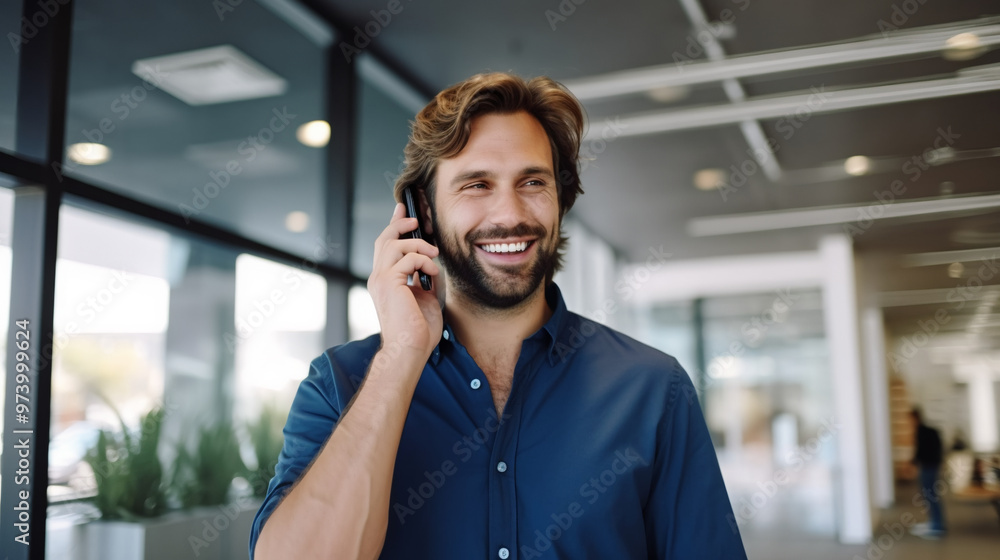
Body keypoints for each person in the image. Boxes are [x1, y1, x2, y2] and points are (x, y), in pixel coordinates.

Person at [250, 72, 747, 559]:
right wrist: (401, 356)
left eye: (532, 181)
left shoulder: (653, 389)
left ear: (560, 199)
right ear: (421, 211)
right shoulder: (340, 384)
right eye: (476, 185)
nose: (509, 214)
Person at [910, 408, 946, 539]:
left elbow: (920, 451)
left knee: (930, 496)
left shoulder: (922, 431)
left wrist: (912, 463)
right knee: (929, 496)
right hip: (932, 466)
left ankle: (937, 526)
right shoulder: (928, 431)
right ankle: (934, 523)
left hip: (928, 467)